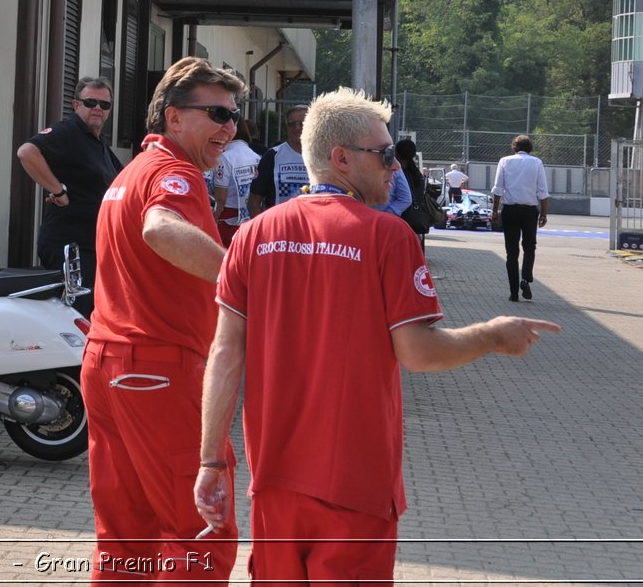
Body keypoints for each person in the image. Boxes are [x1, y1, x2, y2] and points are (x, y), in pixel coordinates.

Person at [194, 87, 561, 584]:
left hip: (274, 482)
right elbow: (419, 352)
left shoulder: (254, 234)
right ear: (341, 158)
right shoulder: (389, 237)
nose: (396, 165)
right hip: (355, 484)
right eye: (385, 153)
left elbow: (225, 353)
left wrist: (212, 460)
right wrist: (493, 335)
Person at [84, 57, 245, 582]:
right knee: (202, 532)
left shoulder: (132, 171)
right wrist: (247, 284)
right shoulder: (174, 172)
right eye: (216, 113)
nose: (229, 127)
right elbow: (160, 228)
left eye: (234, 116)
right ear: (174, 119)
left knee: (127, 537)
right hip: (157, 368)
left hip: (110, 366)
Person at [16, 77, 123, 313]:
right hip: (70, 247)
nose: (97, 108)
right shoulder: (68, 132)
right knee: (78, 316)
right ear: (76, 105)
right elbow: (27, 152)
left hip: (92, 246)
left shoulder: (98, 144)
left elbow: (122, 181)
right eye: (90, 102)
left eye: (104, 105)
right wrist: (58, 190)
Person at [491, 134, 550, 303]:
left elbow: (498, 189)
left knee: (511, 252)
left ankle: (514, 292)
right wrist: (544, 213)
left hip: (510, 210)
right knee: (530, 247)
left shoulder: (504, 161)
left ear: (514, 147)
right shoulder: (537, 162)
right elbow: (543, 191)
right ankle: (525, 279)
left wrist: (495, 210)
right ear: (530, 148)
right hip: (530, 211)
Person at [246, 104, 309, 216]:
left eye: (302, 123)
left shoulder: (325, 156)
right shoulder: (272, 156)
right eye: (292, 124)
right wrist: (266, 230)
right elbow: (253, 203)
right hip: (280, 229)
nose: (297, 128)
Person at [210, 113, 258, 245]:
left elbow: (220, 199)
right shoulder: (255, 156)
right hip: (249, 220)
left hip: (227, 222)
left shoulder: (225, 157)